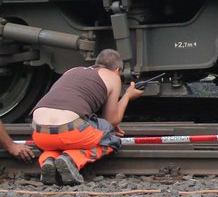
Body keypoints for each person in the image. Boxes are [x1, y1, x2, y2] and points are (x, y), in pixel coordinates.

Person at [30, 49, 142, 185]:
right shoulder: (113, 76)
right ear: (117, 70)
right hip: (71, 133)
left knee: (58, 142)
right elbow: (111, 120)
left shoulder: (72, 71)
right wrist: (127, 96)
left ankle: (48, 160)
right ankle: (73, 159)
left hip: (40, 134)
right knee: (111, 139)